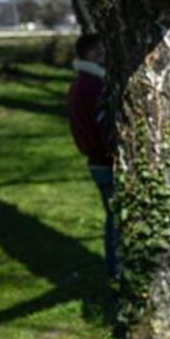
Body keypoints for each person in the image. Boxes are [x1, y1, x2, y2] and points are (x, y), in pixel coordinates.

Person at [66, 33, 118, 280]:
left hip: (99, 159)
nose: (103, 55)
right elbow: (98, 126)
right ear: (88, 54)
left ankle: (115, 270)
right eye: (98, 51)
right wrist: (112, 147)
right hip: (104, 161)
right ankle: (116, 272)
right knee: (117, 220)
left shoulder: (84, 84)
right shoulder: (91, 85)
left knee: (113, 217)